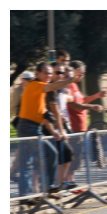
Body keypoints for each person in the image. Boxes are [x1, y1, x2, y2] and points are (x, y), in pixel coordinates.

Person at [17, 61, 74, 196]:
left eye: (50, 73)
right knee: (31, 162)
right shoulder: (36, 85)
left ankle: (42, 190)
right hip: (27, 127)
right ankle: (38, 191)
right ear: (37, 74)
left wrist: (55, 130)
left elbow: (43, 114)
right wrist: (69, 80)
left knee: (40, 158)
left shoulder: (40, 91)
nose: (48, 75)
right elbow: (53, 86)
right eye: (45, 73)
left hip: (33, 127)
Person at [43, 62, 76, 190]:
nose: (60, 75)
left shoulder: (57, 91)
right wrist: (61, 132)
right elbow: (54, 112)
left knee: (66, 153)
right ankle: (54, 185)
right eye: (57, 72)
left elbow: (59, 110)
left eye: (61, 73)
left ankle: (59, 184)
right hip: (46, 128)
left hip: (54, 128)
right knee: (57, 155)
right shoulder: (50, 90)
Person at [67, 60, 106, 133]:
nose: (82, 76)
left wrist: (97, 95)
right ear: (74, 71)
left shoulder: (75, 85)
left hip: (81, 128)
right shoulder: (68, 86)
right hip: (74, 128)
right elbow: (74, 105)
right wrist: (92, 107)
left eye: (83, 74)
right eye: (80, 74)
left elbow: (82, 101)